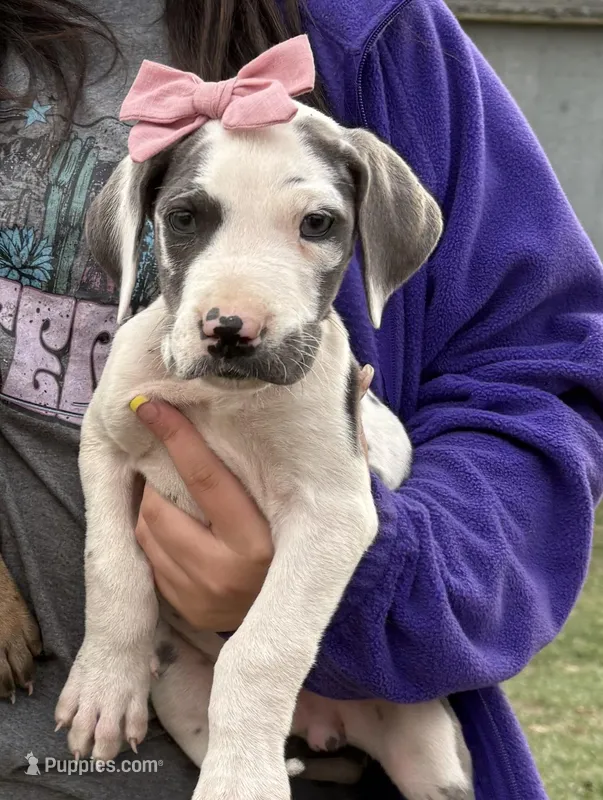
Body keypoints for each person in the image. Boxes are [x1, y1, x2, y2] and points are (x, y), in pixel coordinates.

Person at [1, 0, 602, 798]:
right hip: (108, 716)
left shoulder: (384, 29)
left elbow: (535, 366)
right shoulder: (148, 345)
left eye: (315, 223)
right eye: (186, 219)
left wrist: (376, 591)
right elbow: (108, 442)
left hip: (350, 706)